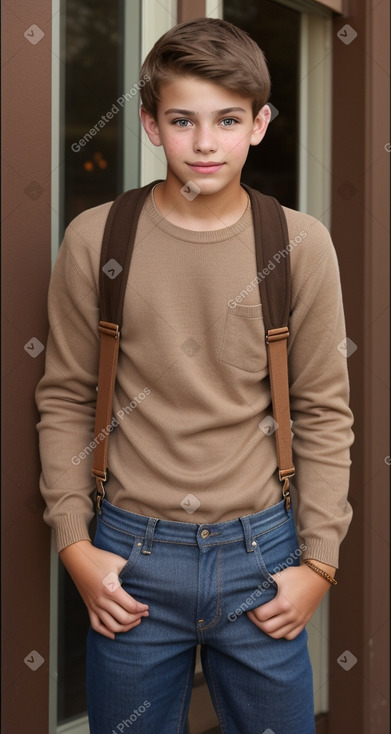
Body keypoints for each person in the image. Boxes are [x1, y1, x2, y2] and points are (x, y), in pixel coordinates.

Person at [36, 17, 354, 734]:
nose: (205, 143)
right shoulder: (97, 238)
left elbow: (325, 411)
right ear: (149, 124)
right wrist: (75, 543)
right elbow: (64, 397)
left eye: (227, 120)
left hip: (262, 556)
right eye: (182, 120)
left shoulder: (298, 245)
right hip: (130, 556)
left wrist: (318, 564)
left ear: (260, 124)